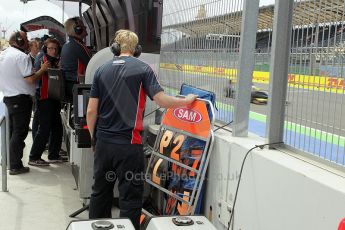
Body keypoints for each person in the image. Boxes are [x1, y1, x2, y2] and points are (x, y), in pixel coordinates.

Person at [86, 29, 197, 229]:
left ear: (115, 48)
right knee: (130, 197)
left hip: (103, 143)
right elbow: (162, 100)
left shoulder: (101, 70)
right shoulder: (143, 69)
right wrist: (186, 101)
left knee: (100, 193)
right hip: (129, 145)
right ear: (136, 49)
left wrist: (94, 140)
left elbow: (91, 111)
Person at [0, 31, 49, 175]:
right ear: (20, 41)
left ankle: (7, 161)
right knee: (19, 133)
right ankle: (15, 165)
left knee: (10, 132)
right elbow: (30, 79)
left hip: (9, 97)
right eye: (26, 39)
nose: (28, 41)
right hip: (20, 99)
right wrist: (42, 69)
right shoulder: (21, 57)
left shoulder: (4, 54)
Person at [29, 38, 65, 166]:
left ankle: (53, 155)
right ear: (45, 49)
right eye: (50, 48)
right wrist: (43, 69)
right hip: (44, 98)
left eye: (55, 49)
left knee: (57, 127)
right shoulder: (41, 59)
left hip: (54, 97)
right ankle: (34, 156)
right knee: (44, 128)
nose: (53, 51)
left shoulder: (56, 61)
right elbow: (34, 78)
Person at [60, 17, 91, 102]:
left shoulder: (67, 44)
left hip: (68, 86)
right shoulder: (78, 46)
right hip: (77, 87)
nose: (85, 27)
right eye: (83, 26)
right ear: (78, 29)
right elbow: (91, 65)